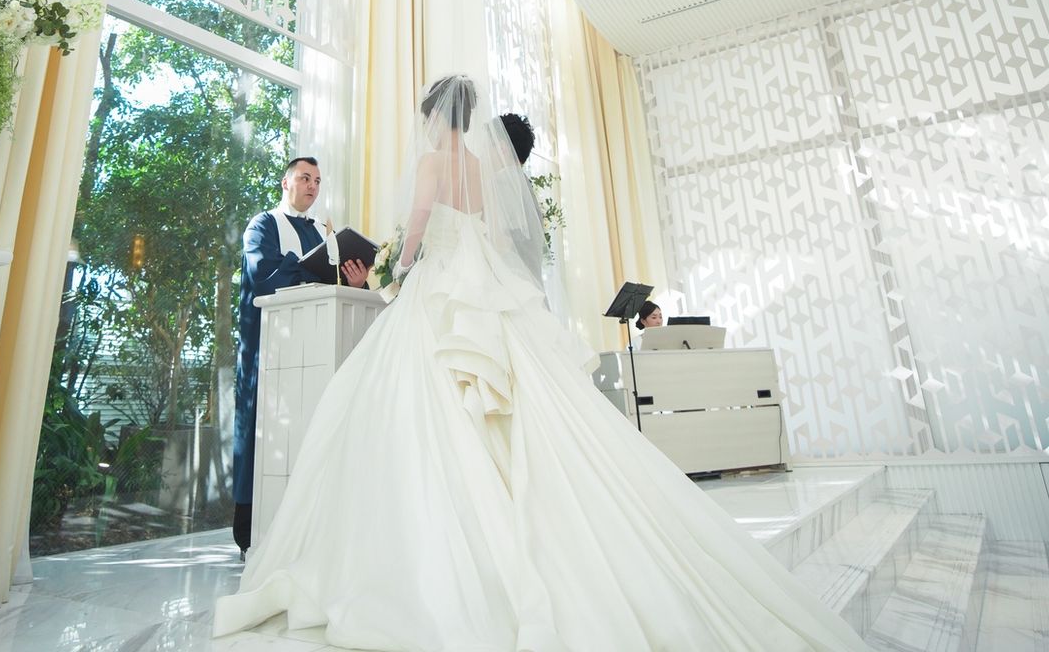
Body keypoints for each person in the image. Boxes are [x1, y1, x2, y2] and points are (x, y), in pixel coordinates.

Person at [215, 76, 871, 650]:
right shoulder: (483, 167)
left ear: (434, 116)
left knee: (408, 407)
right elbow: (494, 238)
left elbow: (414, 232)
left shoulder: (434, 161)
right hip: (485, 288)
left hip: (440, 289)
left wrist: (395, 274)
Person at [231, 155, 369, 559]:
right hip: (270, 348)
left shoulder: (323, 233)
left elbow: (331, 279)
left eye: (318, 181)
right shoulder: (263, 225)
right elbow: (264, 274)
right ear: (285, 182)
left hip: (318, 347)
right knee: (262, 433)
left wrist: (355, 280)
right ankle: (251, 529)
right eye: (305, 178)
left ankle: (309, 530)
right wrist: (312, 270)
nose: (313, 186)